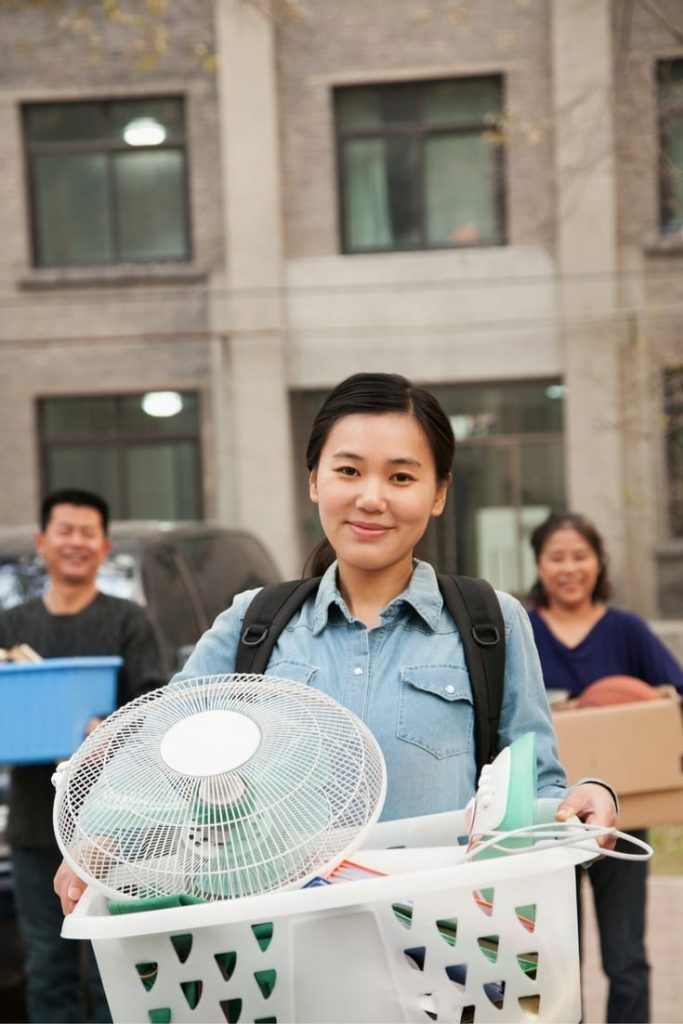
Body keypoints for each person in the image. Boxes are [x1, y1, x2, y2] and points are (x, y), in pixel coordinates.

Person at [55, 373, 618, 920]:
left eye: (401, 478)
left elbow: (537, 788)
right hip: (276, 959)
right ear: (315, 481)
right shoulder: (252, 623)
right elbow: (160, 753)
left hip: (446, 960)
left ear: (440, 492)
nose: (372, 499)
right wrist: (98, 839)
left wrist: (587, 799)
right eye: (349, 470)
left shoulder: (491, 623)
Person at [0, 488, 166, 1024]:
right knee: (47, 965)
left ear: (103, 545)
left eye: (86, 533)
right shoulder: (13, 626)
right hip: (33, 826)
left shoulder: (128, 621)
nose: (76, 542)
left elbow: (155, 711)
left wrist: (109, 730)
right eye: (65, 531)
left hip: (119, 824)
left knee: (110, 962)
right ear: (43, 543)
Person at [527, 510, 683, 1024]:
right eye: (557, 557)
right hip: (544, 821)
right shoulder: (520, 630)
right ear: (539, 565)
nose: (569, 568)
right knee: (554, 961)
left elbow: (673, 697)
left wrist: (652, 703)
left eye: (580, 556)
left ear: (598, 563)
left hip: (620, 814)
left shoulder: (627, 631)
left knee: (626, 960)